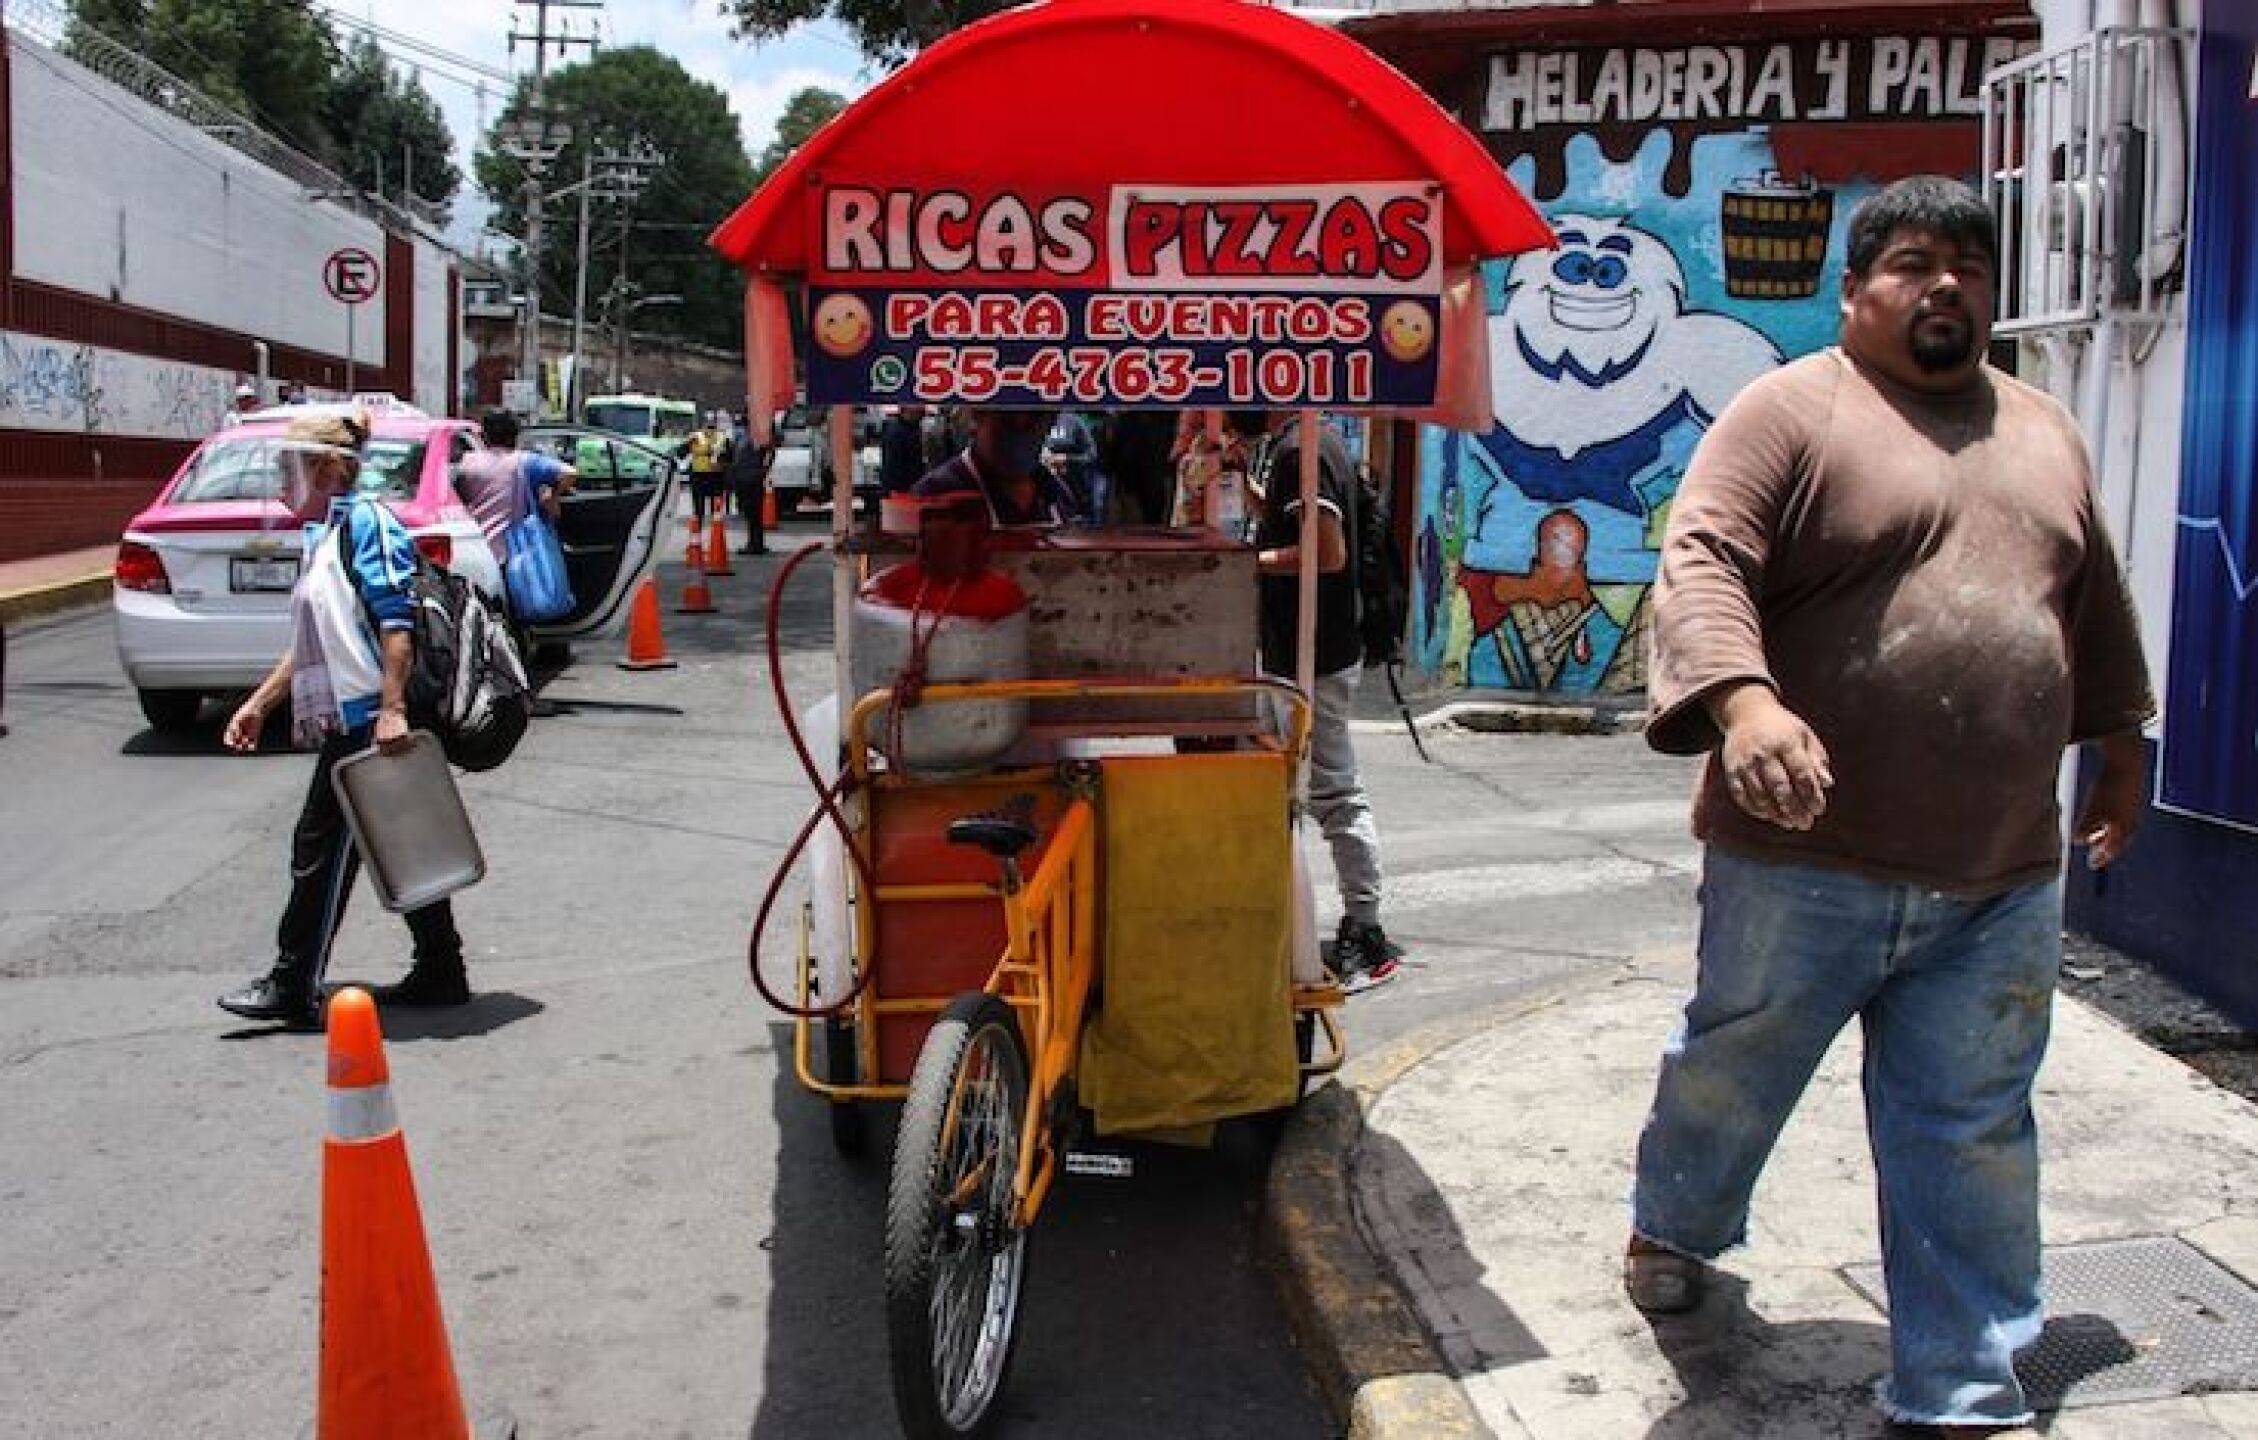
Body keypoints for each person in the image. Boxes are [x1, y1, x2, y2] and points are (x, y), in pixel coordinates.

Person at [1623, 177, 2154, 1436]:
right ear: (1855, 293)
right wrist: (1745, 708)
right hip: (1801, 861)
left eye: (1967, 267)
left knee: (1966, 1129)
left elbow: (2090, 604)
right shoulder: (1786, 413)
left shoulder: (2041, 430)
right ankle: (1675, 1226)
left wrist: (2121, 738)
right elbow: (1701, 561)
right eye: (1913, 264)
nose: (1945, 288)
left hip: (1998, 871)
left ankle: (1955, 1392)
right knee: (1730, 1074)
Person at [216, 414, 476, 1029]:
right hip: (349, 713)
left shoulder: (366, 524)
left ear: (328, 470)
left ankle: (291, 982)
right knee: (398, 844)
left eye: (291, 468)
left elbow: (395, 624)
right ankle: (443, 970)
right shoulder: (324, 534)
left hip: (366, 721)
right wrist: (261, 703)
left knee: (320, 849)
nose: (282, 482)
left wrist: (392, 710)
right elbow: (320, 643)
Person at [1247, 409, 1403, 992]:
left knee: (1334, 794)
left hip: (1316, 655)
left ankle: (1366, 930)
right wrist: (1256, 497)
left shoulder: (1303, 453)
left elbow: (1327, 552)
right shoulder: (1302, 447)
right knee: (1286, 789)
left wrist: (1248, 564)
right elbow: (1297, 529)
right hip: (1299, 653)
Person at [912, 408, 1080, 527]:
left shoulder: (1058, 494)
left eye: (1033, 421)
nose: (1020, 434)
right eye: (1006, 421)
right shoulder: (934, 494)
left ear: (1050, 425)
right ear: (976, 418)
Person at [452, 409, 574, 571]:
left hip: (477, 551)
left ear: (484, 436)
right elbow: (569, 473)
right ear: (515, 435)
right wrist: (552, 497)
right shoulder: (526, 462)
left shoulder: (467, 463)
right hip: (517, 553)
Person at [728, 414, 775, 555]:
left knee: (754, 513)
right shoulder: (743, 437)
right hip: (743, 478)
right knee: (750, 514)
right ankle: (754, 543)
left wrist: (764, 470)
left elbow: (770, 452)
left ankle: (756, 545)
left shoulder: (757, 437)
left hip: (752, 479)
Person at [879, 403, 930, 497]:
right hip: (901, 490)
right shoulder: (896, 431)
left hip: (911, 488)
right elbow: (893, 465)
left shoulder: (913, 428)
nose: (923, 408)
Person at [685, 414, 726, 521]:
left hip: (701, 473)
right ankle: (715, 520)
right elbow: (729, 455)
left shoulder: (696, 436)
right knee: (715, 501)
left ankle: (700, 519)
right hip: (714, 473)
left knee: (700, 502)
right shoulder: (721, 436)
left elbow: (682, 450)